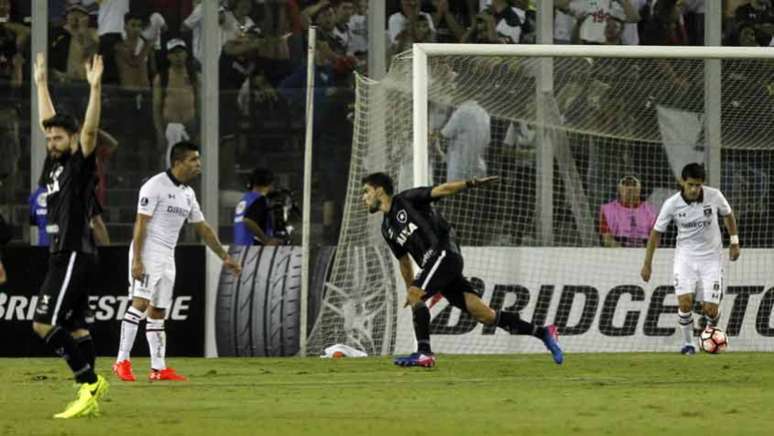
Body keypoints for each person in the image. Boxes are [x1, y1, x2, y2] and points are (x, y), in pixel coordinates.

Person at [360, 172, 563, 367]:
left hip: (444, 253)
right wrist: (411, 289)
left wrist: (471, 183)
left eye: (366, 191)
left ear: (379, 191)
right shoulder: (386, 228)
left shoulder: (406, 200)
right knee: (484, 314)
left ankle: (424, 353)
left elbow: (442, 189)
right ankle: (544, 332)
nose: (364, 198)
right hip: (437, 266)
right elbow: (404, 262)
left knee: (417, 296)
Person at [113, 141, 242, 382]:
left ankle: (158, 368)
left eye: (198, 160)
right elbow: (141, 223)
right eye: (193, 160)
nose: (198, 165)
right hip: (149, 251)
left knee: (158, 310)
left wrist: (224, 257)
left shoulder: (188, 193)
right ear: (177, 162)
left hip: (168, 254)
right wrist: (138, 260)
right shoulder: (154, 186)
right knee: (139, 304)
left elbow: (202, 228)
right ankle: (121, 361)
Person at [30, 52, 109, 418]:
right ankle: (89, 393)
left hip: (73, 252)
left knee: (43, 322)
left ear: (72, 138)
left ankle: (87, 381)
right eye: (49, 137)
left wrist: (95, 88)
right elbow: (48, 121)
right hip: (67, 252)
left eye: (58, 137)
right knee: (76, 326)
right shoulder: (54, 162)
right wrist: (41, 84)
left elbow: (89, 132)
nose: (51, 140)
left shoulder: (79, 163)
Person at [640, 163, 741, 355]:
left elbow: (728, 214)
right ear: (683, 182)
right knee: (685, 302)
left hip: (711, 259)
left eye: (698, 185)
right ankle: (688, 344)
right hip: (685, 258)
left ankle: (710, 332)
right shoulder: (672, 203)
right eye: (691, 185)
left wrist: (734, 242)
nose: (694, 189)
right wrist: (647, 264)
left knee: (710, 309)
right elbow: (656, 233)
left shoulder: (715, 195)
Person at [598, 175, 657, 247]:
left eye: (634, 184)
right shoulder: (607, 210)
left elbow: (655, 239)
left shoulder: (651, 211)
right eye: (626, 184)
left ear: (640, 188)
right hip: (617, 252)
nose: (630, 188)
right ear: (619, 188)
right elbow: (607, 239)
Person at [233, 168, 281, 246]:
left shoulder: (245, 199)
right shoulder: (260, 200)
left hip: (240, 248)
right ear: (270, 183)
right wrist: (266, 240)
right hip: (253, 250)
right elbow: (248, 220)